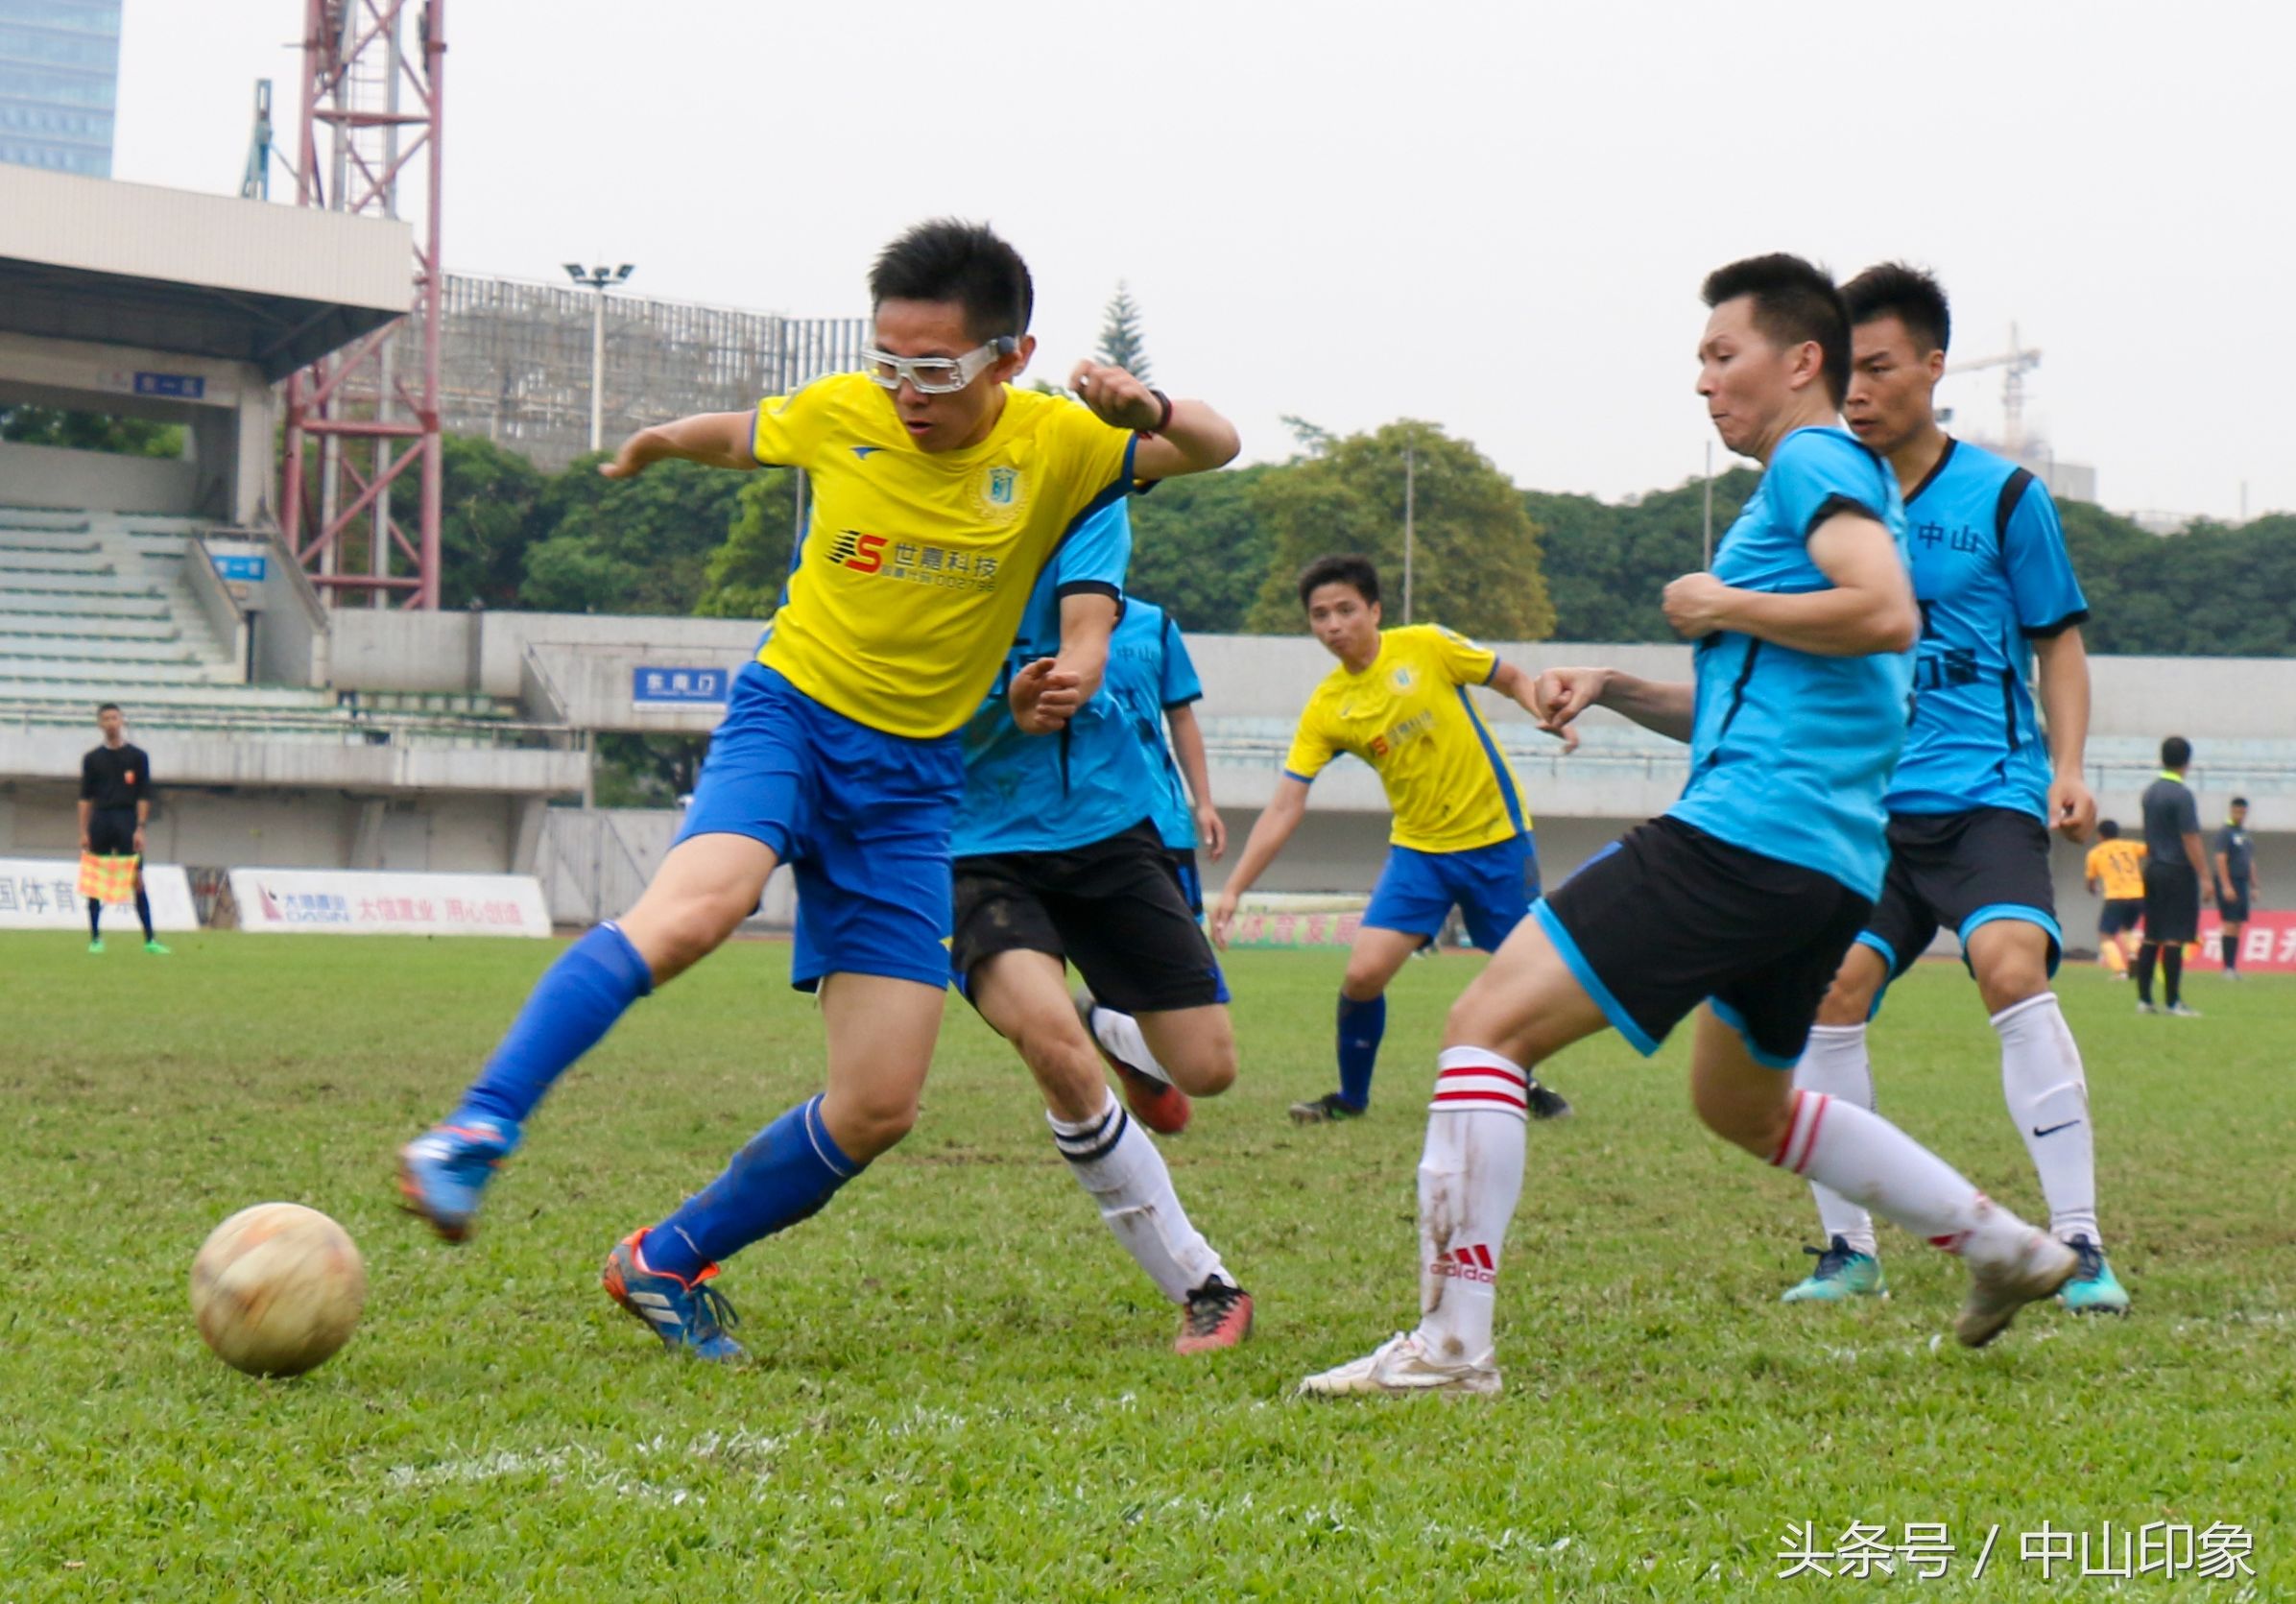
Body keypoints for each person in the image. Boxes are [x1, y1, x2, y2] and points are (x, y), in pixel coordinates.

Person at [396, 220, 1240, 1361]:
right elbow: (739, 435)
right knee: (698, 910)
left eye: (933, 368)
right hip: (790, 718)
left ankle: (667, 1258)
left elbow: (1216, 445)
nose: (904, 390)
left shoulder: (1059, 445)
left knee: (880, 1102)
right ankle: (473, 1134)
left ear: (1011, 355)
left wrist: (1146, 410)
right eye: (888, 360)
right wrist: (655, 442)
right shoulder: (847, 412)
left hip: (911, 789)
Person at [1300, 254, 2076, 1400]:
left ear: (1799, 361)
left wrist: (1717, 602)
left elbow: (1882, 612)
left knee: (1481, 1030)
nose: (1704, 384)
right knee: (1741, 1102)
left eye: (1723, 356)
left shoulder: (1813, 461)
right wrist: (1618, 682)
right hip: (1821, 863)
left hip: (1743, 839)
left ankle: (1451, 1348)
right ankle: (2004, 1247)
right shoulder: (1846, 479)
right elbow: (1766, 691)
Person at [1777, 263, 2124, 1314]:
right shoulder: (1822, 493)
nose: (1858, 389)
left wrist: (2065, 769)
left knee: (2012, 968)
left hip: (1983, 794)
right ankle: (1849, 1251)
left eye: (1878, 367)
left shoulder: (2006, 496)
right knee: (1828, 994)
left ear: (1934, 367)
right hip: (1865, 806)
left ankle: (2079, 1244)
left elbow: (2056, 642)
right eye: (1846, 370)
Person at [946, 537, 1252, 1353]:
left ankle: (1113, 1024)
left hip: (1113, 834)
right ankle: (1202, 1283)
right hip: (978, 846)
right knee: (1052, 1048)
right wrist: (996, 704)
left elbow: (1195, 444)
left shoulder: (1102, 530)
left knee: (1207, 1067)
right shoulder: (934, 560)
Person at [1206, 555, 1574, 1126]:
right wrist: (1233, 890)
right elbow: (1286, 803)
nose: (1333, 625)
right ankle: (1350, 1100)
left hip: (1497, 840)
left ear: (1375, 610)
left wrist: (1545, 710)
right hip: (1419, 854)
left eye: (1346, 610)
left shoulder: (1427, 646)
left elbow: (1510, 677)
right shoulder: (1329, 706)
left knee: (1522, 980)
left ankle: (1523, 1082)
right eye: (1320, 615)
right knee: (1362, 976)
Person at [1070, 594, 1230, 1134]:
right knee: (1108, 952)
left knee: (1185, 960)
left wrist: (1202, 801)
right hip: (1081, 821)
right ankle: (1117, 1046)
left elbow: (1179, 715)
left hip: (1161, 818)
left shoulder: (1155, 625)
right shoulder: (1044, 618)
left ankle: (1121, 1036)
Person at [78, 703, 166, 956]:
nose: (111, 722)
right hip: (101, 819)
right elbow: (85, 798)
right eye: (105, 718)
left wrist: (140, 827)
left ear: (122, 721)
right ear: (99, 724)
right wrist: (83, 830)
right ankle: (95, 938)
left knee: (136, 879)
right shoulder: (92, 759)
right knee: (96, 881)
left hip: (127, 819)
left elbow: (143, 795)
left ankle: (150, 939)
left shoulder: (138, 757)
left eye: (114, 717)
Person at [2136, 737, 2208, 1017]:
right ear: (2187, 762)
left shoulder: (2150, 792)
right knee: (2175, 936)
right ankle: (2173, 1001)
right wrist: (2204, 875)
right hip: (2177, 869)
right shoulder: (2182, 795)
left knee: (2151, 935)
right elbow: (2190, 837)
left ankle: (2144, 1000)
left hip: (2153, 868)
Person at [2085, 821, 2145, 974]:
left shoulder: (2095, 853)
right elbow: (2151, 850)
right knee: (2127, 929)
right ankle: (2134, 953)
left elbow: (2090, 881)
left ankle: (2120, 971)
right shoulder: (2130, 846)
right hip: (2138, 895)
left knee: (2106, 935)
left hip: (2116, 897)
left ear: (2100, 835)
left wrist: (2093, 889)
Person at [2214, 797, 2258, 978]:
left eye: (2243, 812)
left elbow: (2250, 861)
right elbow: (2220, 858)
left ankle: (2233, 966)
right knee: (2230, 923)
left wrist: (2255, 885)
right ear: (2231, 811)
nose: (2240, 815)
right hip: (2230, 881)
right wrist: (2226, 885)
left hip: (2242, 882)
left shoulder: (2245, 835)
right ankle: (2227, 968)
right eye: (2237, 811)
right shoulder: (2225, 832)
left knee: (2238, 924)